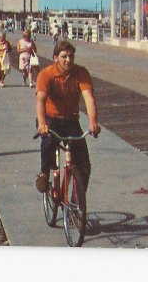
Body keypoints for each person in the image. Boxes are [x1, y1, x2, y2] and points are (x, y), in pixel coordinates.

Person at [35, 40, 100, 192]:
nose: (68, 60)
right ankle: (44, 173)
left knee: (84, 165)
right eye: (64, 56)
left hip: (70, 120)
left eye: (71, 56)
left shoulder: (80, 72)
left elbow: (89, 98)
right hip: (50, 118)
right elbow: (40, 101)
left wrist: (93, 122)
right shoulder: (46, 75)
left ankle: (76, 206)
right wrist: (42, 124)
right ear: (55, 57)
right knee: (49, 141)